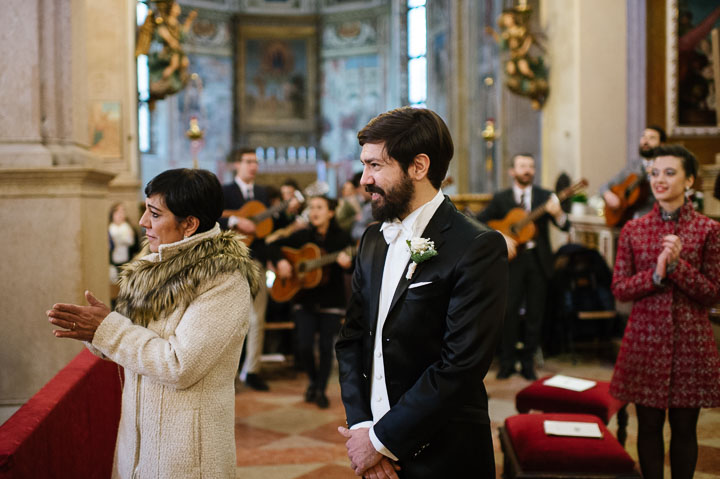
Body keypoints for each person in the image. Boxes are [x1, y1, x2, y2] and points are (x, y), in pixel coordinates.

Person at [47, 168, 261, 478]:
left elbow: (179, 365)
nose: (142, 222)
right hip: (139, 446)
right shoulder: (152, 267)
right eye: (145, 210)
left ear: (189, 224)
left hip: (186, 457)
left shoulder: (223, 279)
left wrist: (110, 328)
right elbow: (133, 345)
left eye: (155, 214)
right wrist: (98, 332)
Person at [335, 107, 507, 478]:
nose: (364, 179)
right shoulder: (372, 240)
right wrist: (363, 425)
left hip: (445, 456)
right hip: (372, 448)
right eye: (364, 166)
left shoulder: (476, 246)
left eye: (376, 166)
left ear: (419, 166)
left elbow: (459, 366)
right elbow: (351, 341)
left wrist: (382, 440)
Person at [609, 145, 720, 479]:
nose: (659, 179)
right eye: (655, 172)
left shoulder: (708, 230)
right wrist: (657, 274)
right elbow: (620, 288)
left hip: (691, 344)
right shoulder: (634, 229)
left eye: (670, 173)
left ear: (689, 181)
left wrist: (678, 267)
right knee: (649, 428)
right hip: (644, 343)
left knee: (685, 431)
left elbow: (714, 292)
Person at [477, 153, 569, 380]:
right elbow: (479, 222)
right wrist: (499, 235)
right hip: (512, 261)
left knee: (535, 313)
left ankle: (528, 362)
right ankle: (507, 362)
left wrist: (558, 214)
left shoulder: (545, 196)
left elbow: (565, 226)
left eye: (530, 166)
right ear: (512, 171)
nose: (527, 170)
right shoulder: (501, 198)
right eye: (522, 166)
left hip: (538, 260)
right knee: (508, 312)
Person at [268, 195, 353, 409]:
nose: (314, 211)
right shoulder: (302, 236)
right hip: (303, 300)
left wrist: (347, 265)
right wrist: (281, 262)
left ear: (330, 212)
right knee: (304, 346)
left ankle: (320, 389)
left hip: (331, 301)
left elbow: (354, 265)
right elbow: (273, 245)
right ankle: (313, 382)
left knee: (326, 347)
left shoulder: (341, 238)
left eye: (319, 207)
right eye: (311, 207)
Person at [221, 147, 272, 391]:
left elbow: (266, 230)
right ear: (236, 165)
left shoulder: (262, 193)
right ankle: (225, 371)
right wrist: (234, 221)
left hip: (257, 260)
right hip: (230, 261)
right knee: (228, 318)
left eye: (256, 162)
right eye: (248, 161)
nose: (253, 166)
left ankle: (252, 370)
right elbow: (210, 220)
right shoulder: (225, 191)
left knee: (257, 317)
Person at [600, 125, 667, 223]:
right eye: (644, 137)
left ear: (661, 144)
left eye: (652, 138)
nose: (645, 141)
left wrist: (657, 176)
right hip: (628, 219)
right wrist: (608, 195)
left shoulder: (666, 167)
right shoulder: (633, 165)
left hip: (654, 221)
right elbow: (604, 187)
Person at [108, 202, 138, 283]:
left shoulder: (129, 227)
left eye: (122, 212)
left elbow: (135, 246)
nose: (121, 215)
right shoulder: (110, 228)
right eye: (118, 212)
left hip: (127, 261)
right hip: (113, 262)